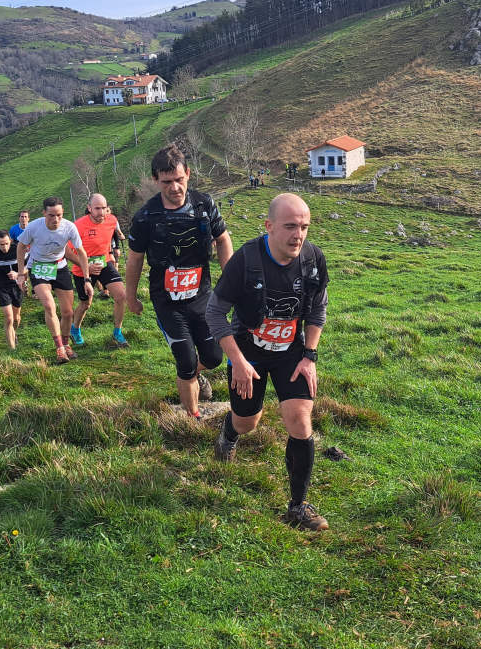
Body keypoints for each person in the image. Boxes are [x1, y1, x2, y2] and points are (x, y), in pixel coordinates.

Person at [206, 193, 330, 532]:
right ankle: (229, 435)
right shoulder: (245, 260)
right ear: (269, 226)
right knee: (248, 422)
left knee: (300, 420)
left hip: (291, 351)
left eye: (304, 226)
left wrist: (310, 355)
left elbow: (318, 309)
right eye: (290, 226)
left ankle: (297, 506)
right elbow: (215, 312)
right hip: (248, 350)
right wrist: (239, 361)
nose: (298, 235)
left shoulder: (313, 260)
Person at [125, 144, 232, 418]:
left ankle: (194, 375)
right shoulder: (145, 217)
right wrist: (131, 296)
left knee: (213, 358)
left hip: (202, 297)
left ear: (188, 174)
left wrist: (230, 281)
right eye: (167, 182)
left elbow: (222, 239)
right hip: (167, 302)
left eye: (179, 180)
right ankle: (192, 416)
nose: (174, 187)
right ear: (155, 180)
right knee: (185, 361)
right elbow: (135, 259)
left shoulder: (204, 204)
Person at [16, 196, 92, 363]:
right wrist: (22, 273)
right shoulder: (35, 227)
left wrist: (87, 279)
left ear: (62, 213)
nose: (55, 219)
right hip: (39, 268)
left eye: (59, 215)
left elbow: (81, 253)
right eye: (51, 215)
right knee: (49, 306)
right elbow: (21, 247)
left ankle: (66, 345)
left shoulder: (69, 227)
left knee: (67, 312)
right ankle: (59, 348)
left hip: (60, 267)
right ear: (44, 213)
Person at [70, 193, 129, 348]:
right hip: (82, 267)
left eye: (104, 208)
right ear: (89, 208)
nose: (101, 212)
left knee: (121, 296)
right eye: (97, 208)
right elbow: (67, 251)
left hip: (104, 263)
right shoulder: (78, 225)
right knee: (85, 303)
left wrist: (110, 253)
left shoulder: (112, 220)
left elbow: (106, 240)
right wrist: (86, 267)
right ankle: (75, 329)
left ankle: (117, 332)